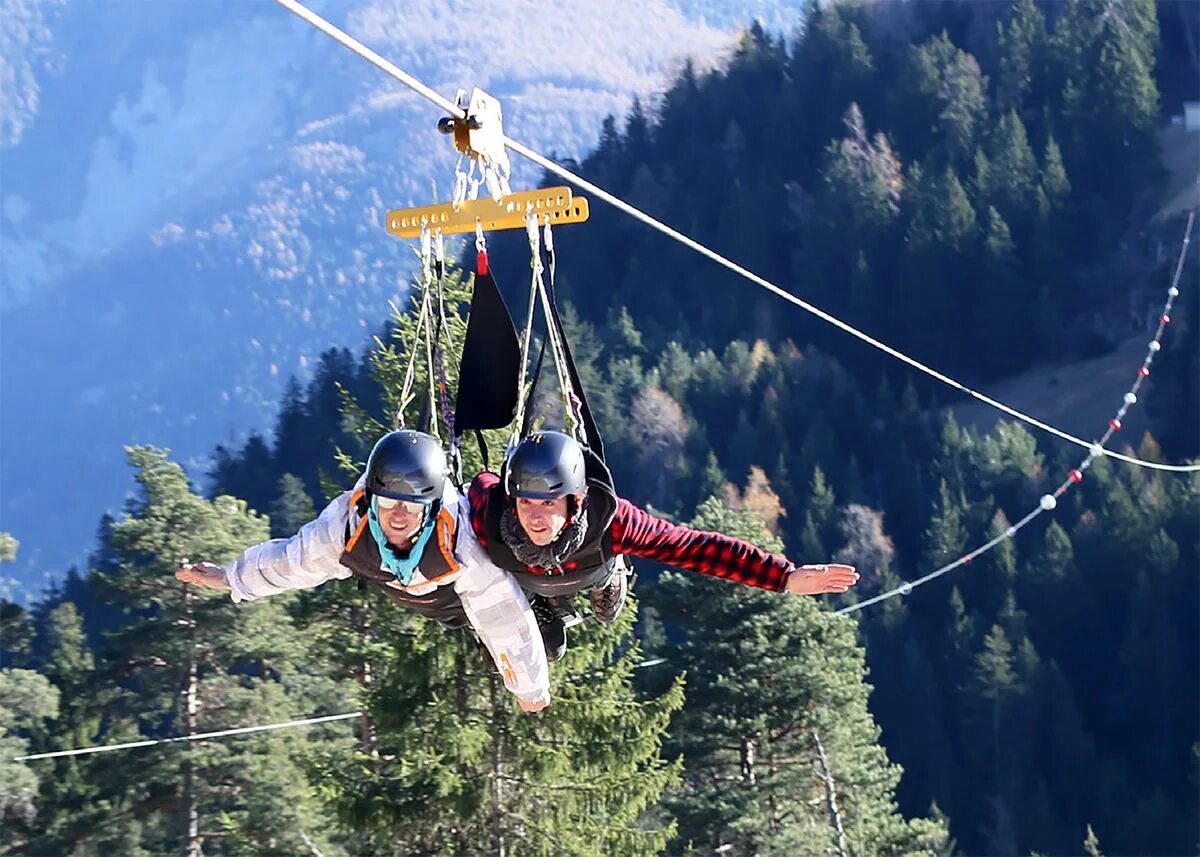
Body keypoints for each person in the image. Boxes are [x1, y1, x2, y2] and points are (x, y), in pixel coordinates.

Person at [176, 430, 551, 713]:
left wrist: (530, 688)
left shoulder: (460, 545)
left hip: (450, 594)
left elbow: (502, 616)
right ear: (373, 500)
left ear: (432, 507)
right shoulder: (346, 527)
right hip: (405, 588)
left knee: (509, 616)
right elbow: (293, 562)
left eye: (412, 505)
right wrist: (231, 577)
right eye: (388, 503)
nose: (398, 516)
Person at [467, 430, 860, 659]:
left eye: (549, 503)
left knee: (599, 586)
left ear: (575, 501)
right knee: (536, 648)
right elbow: (471, 494)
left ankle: (610, 575)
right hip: (531, 577)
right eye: (526, 503)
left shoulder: (613, 522)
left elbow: (695, 548)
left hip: (591, 561)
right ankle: (545, 603)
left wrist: (784, 576)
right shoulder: (490, 520)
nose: (535, 516)